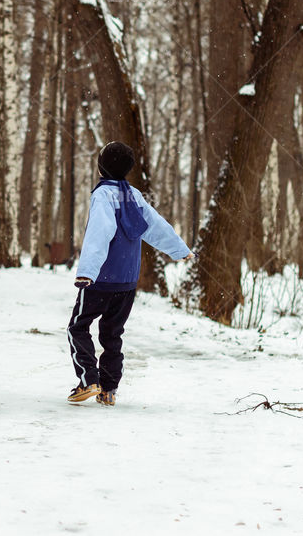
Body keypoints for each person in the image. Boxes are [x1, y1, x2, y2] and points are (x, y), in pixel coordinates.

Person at [67, 141, 194, 407]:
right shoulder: (133, 195)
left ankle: (90, 379)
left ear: (101, 166)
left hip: (100, 279)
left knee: (77, 327)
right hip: (126, 281)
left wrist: (87, 272)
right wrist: (179, 250)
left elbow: (99, 233)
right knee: (112, 333)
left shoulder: (103, 195)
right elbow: (155, 226)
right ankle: (109, 389)